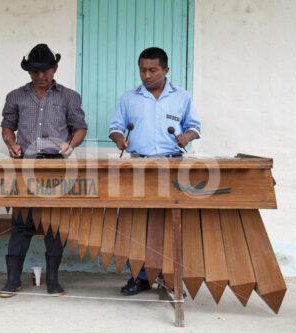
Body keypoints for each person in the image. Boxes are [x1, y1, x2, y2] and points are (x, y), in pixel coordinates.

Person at [108, 47, 201, 295]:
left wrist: (186, 137)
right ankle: (140, 276)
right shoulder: (129, 98)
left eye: (152, 70)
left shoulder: (181, 97)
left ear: (165, 70)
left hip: (172, 167)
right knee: (136, 222)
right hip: (139, 165)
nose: (146, 75)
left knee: (170, 222)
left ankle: (169, 274)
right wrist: (119, 139)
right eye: (142, 70)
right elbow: (115, 127)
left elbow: (194, 127)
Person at [0, 44, 87, 297]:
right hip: (24, 164)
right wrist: (10, 143)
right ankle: (12, 280)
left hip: (55, 165)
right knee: (21, 223)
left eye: (45, 71)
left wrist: (71, 144)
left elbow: (79, 127)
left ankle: (53, 280)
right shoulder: (15, 96)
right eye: (35, 72)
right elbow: (7, 127)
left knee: (54, 224)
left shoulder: (69, 96)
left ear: (55, 68)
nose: (40, 76)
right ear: (29, 71)